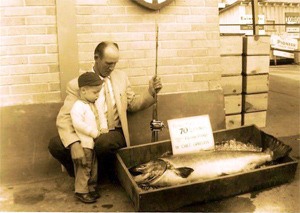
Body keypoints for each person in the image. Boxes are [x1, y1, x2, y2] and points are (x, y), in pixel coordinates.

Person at [48, 41, 162, 196]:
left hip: (112, 133)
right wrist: (74, 143)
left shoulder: (121, 77)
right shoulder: (79, 84)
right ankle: (84, 175)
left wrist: (151, 92)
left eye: (115, 63)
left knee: (103, 143)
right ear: (96, 58)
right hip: (86, 133)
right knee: (56, 144)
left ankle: (99, 175)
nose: (112, 68)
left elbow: (133, 103)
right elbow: (64, 118)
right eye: (108, 63)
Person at [70, 72, 108, 203]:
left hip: (93, 143)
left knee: (93, 167)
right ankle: (81, 191)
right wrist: (94, 132)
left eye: (99, 92)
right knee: (84, 168)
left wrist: (103, 127)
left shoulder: (93, 104)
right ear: (83, 90)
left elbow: (101, 116)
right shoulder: (78, 107)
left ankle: (91, 188)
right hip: (85, 143)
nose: (97, 95)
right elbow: (78, 124)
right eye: (95, 92)